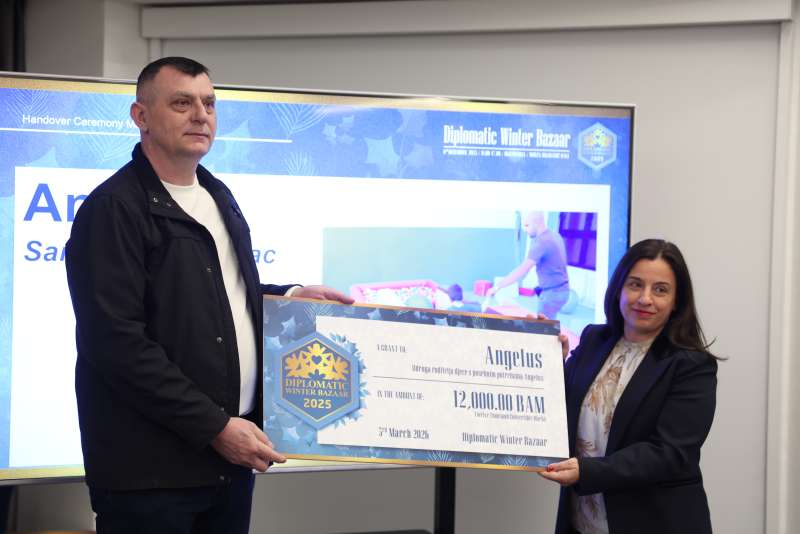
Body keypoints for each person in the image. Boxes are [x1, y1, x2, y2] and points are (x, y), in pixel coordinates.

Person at [65, 57, 353, 534]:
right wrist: (215, 427)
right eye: (182, 103)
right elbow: (116, 343)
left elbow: (217, 297)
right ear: (141, 116)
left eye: (209, 103)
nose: (201, 115)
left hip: (226, 464)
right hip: (151, 476)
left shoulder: (217, 195)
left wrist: (291, 296)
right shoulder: (113, 208)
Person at [539, 239, 718, 534]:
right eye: (635, 285)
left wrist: (587, 471)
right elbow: (561, 407)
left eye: (660, 290)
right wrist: (544, 360)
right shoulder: (594, 340)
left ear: (676, 301)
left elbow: (669, 453)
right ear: (619, 289)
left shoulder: (691, 365)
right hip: (584, 522)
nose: (645, 299)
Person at [487, 211, 569, 318]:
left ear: (537, 223)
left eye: (527, 225)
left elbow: (522, 270)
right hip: (563, 289)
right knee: (549, 321)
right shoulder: (555, 235)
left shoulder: (541, 242)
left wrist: (497, 287)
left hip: (552, 294)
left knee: (543, 326)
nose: (525, 230)